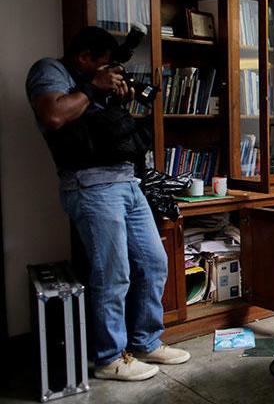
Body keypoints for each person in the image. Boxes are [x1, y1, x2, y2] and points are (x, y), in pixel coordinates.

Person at [26, 26, 190, 381]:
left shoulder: (94, 83)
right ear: (83, 58)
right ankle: (109, 358)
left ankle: (146, 340)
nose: (106, 69)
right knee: (112, 272)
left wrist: (120, 92)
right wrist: (93, 85)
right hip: (91, 187)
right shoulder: (49, 70)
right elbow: (54, 115)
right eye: (101, 63)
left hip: (128, 182)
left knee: (153, 260)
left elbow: (108, 122)